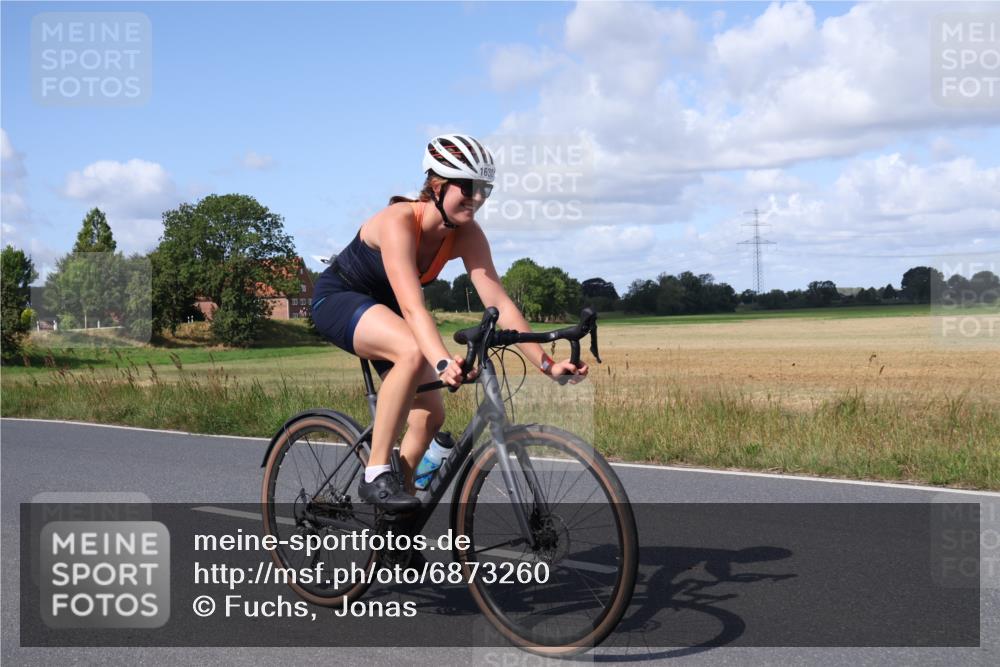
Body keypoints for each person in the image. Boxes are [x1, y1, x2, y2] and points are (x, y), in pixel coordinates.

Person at [311, 133, 588, 512]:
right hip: (340, 299)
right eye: (469, 188)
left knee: (430, 415)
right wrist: (442, 360)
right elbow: (413, 310)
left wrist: (547, 363)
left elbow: (499, 301)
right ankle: (375, 473)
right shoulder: (398, 222)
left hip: (387, 313)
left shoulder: (466, 234)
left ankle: (396, 527)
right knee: (410, 350)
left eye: (484, 190)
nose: (477, 198)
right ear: (437, 186)